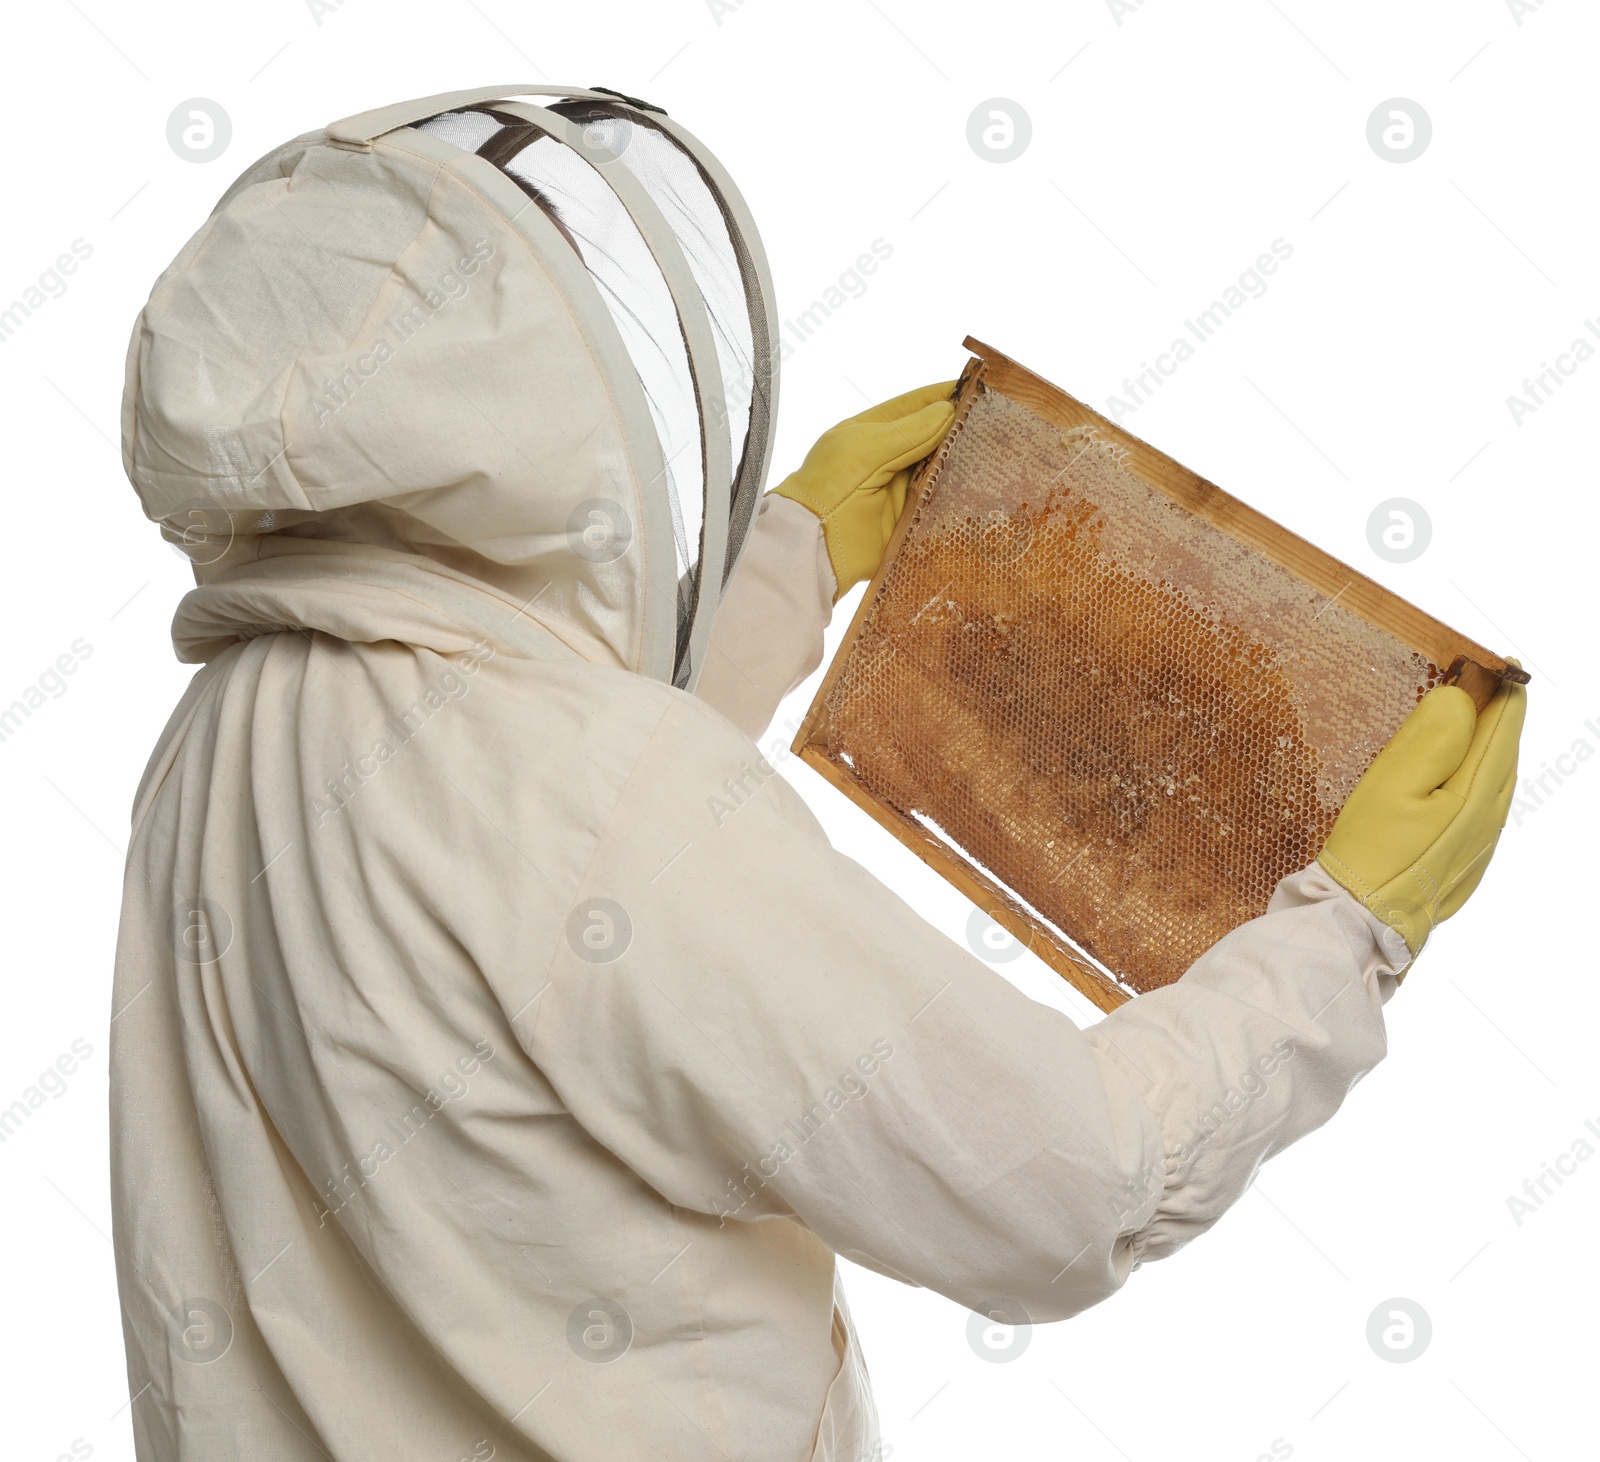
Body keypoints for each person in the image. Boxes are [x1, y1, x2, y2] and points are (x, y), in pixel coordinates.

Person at [110, 86, 1525, 1462]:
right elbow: (1064, 1182)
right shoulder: (582, 791)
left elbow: (550, 931)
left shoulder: (218, 748)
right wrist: (1339, 939)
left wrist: (786, 571)